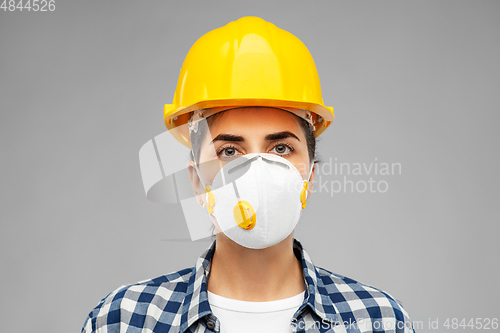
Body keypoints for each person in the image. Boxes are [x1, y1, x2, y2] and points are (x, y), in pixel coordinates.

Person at [81, 16, 415, 333]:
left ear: (309, 178)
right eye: (230, 151)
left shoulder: (378, 320)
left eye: (281, 148)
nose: (257, 170)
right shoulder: (125, 320)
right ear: (197, 181)